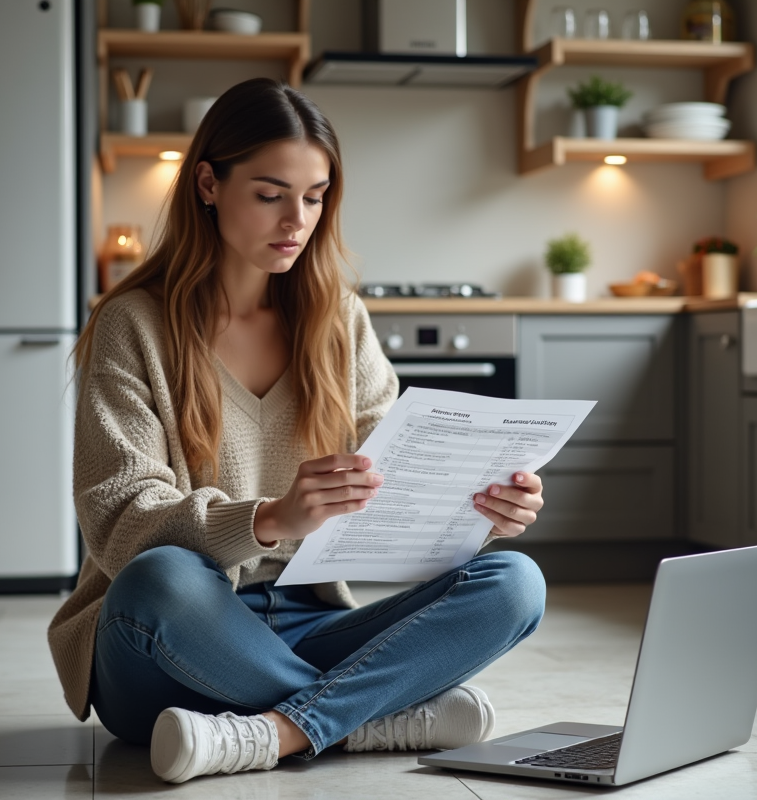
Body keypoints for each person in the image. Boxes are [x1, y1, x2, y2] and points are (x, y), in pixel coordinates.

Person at [47, 77, 547, 785]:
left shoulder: (337, 319)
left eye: (315, 198)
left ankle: (279, 731)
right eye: (270, 193)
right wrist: (271, 519)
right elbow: (119, 523)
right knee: (159, 579)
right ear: (208, 184)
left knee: (516, 582)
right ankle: (364, 716)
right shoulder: (133, 325)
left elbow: (399, 474)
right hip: (166, 639)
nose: (297, 220)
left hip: (308, 627)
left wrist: (487, 509)